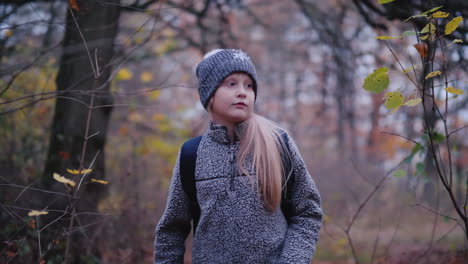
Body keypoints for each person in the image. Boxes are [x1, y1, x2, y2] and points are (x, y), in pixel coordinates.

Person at [154, 49, 323, 264]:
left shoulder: (278, 144)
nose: (242, 92)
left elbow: (308, 212)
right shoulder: (191, 154)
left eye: (249, 85)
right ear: (209, 94)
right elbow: (171, 230)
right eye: (231, 84)